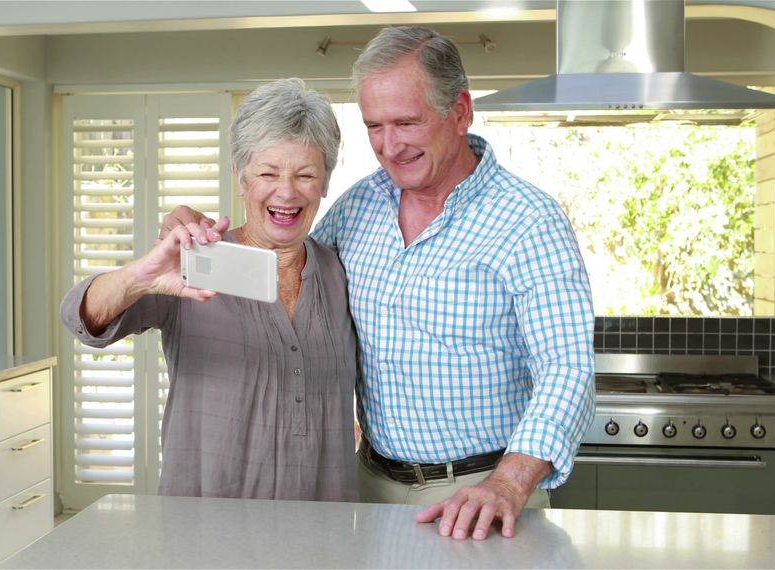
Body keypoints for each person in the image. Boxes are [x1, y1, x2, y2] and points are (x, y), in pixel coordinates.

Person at [161, 26, 596, 540]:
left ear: (460, 111)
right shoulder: (356, 208)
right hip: (368, 488)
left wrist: (509, 482)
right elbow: (283, 264)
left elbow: (567, 366)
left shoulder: (528, 220)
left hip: (478, 494)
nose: (390, 146)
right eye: (374, 126)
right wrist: (192, 230)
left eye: (407, 122)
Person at [60, 78, 357, 501]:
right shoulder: (194, 262)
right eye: (268, 173)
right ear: (240, 176)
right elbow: (83, 318)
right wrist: (139, 277)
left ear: (325, 181)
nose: (286, 192)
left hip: (324, 536)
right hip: (204, 533)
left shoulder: (340, 271)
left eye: (306, 174)